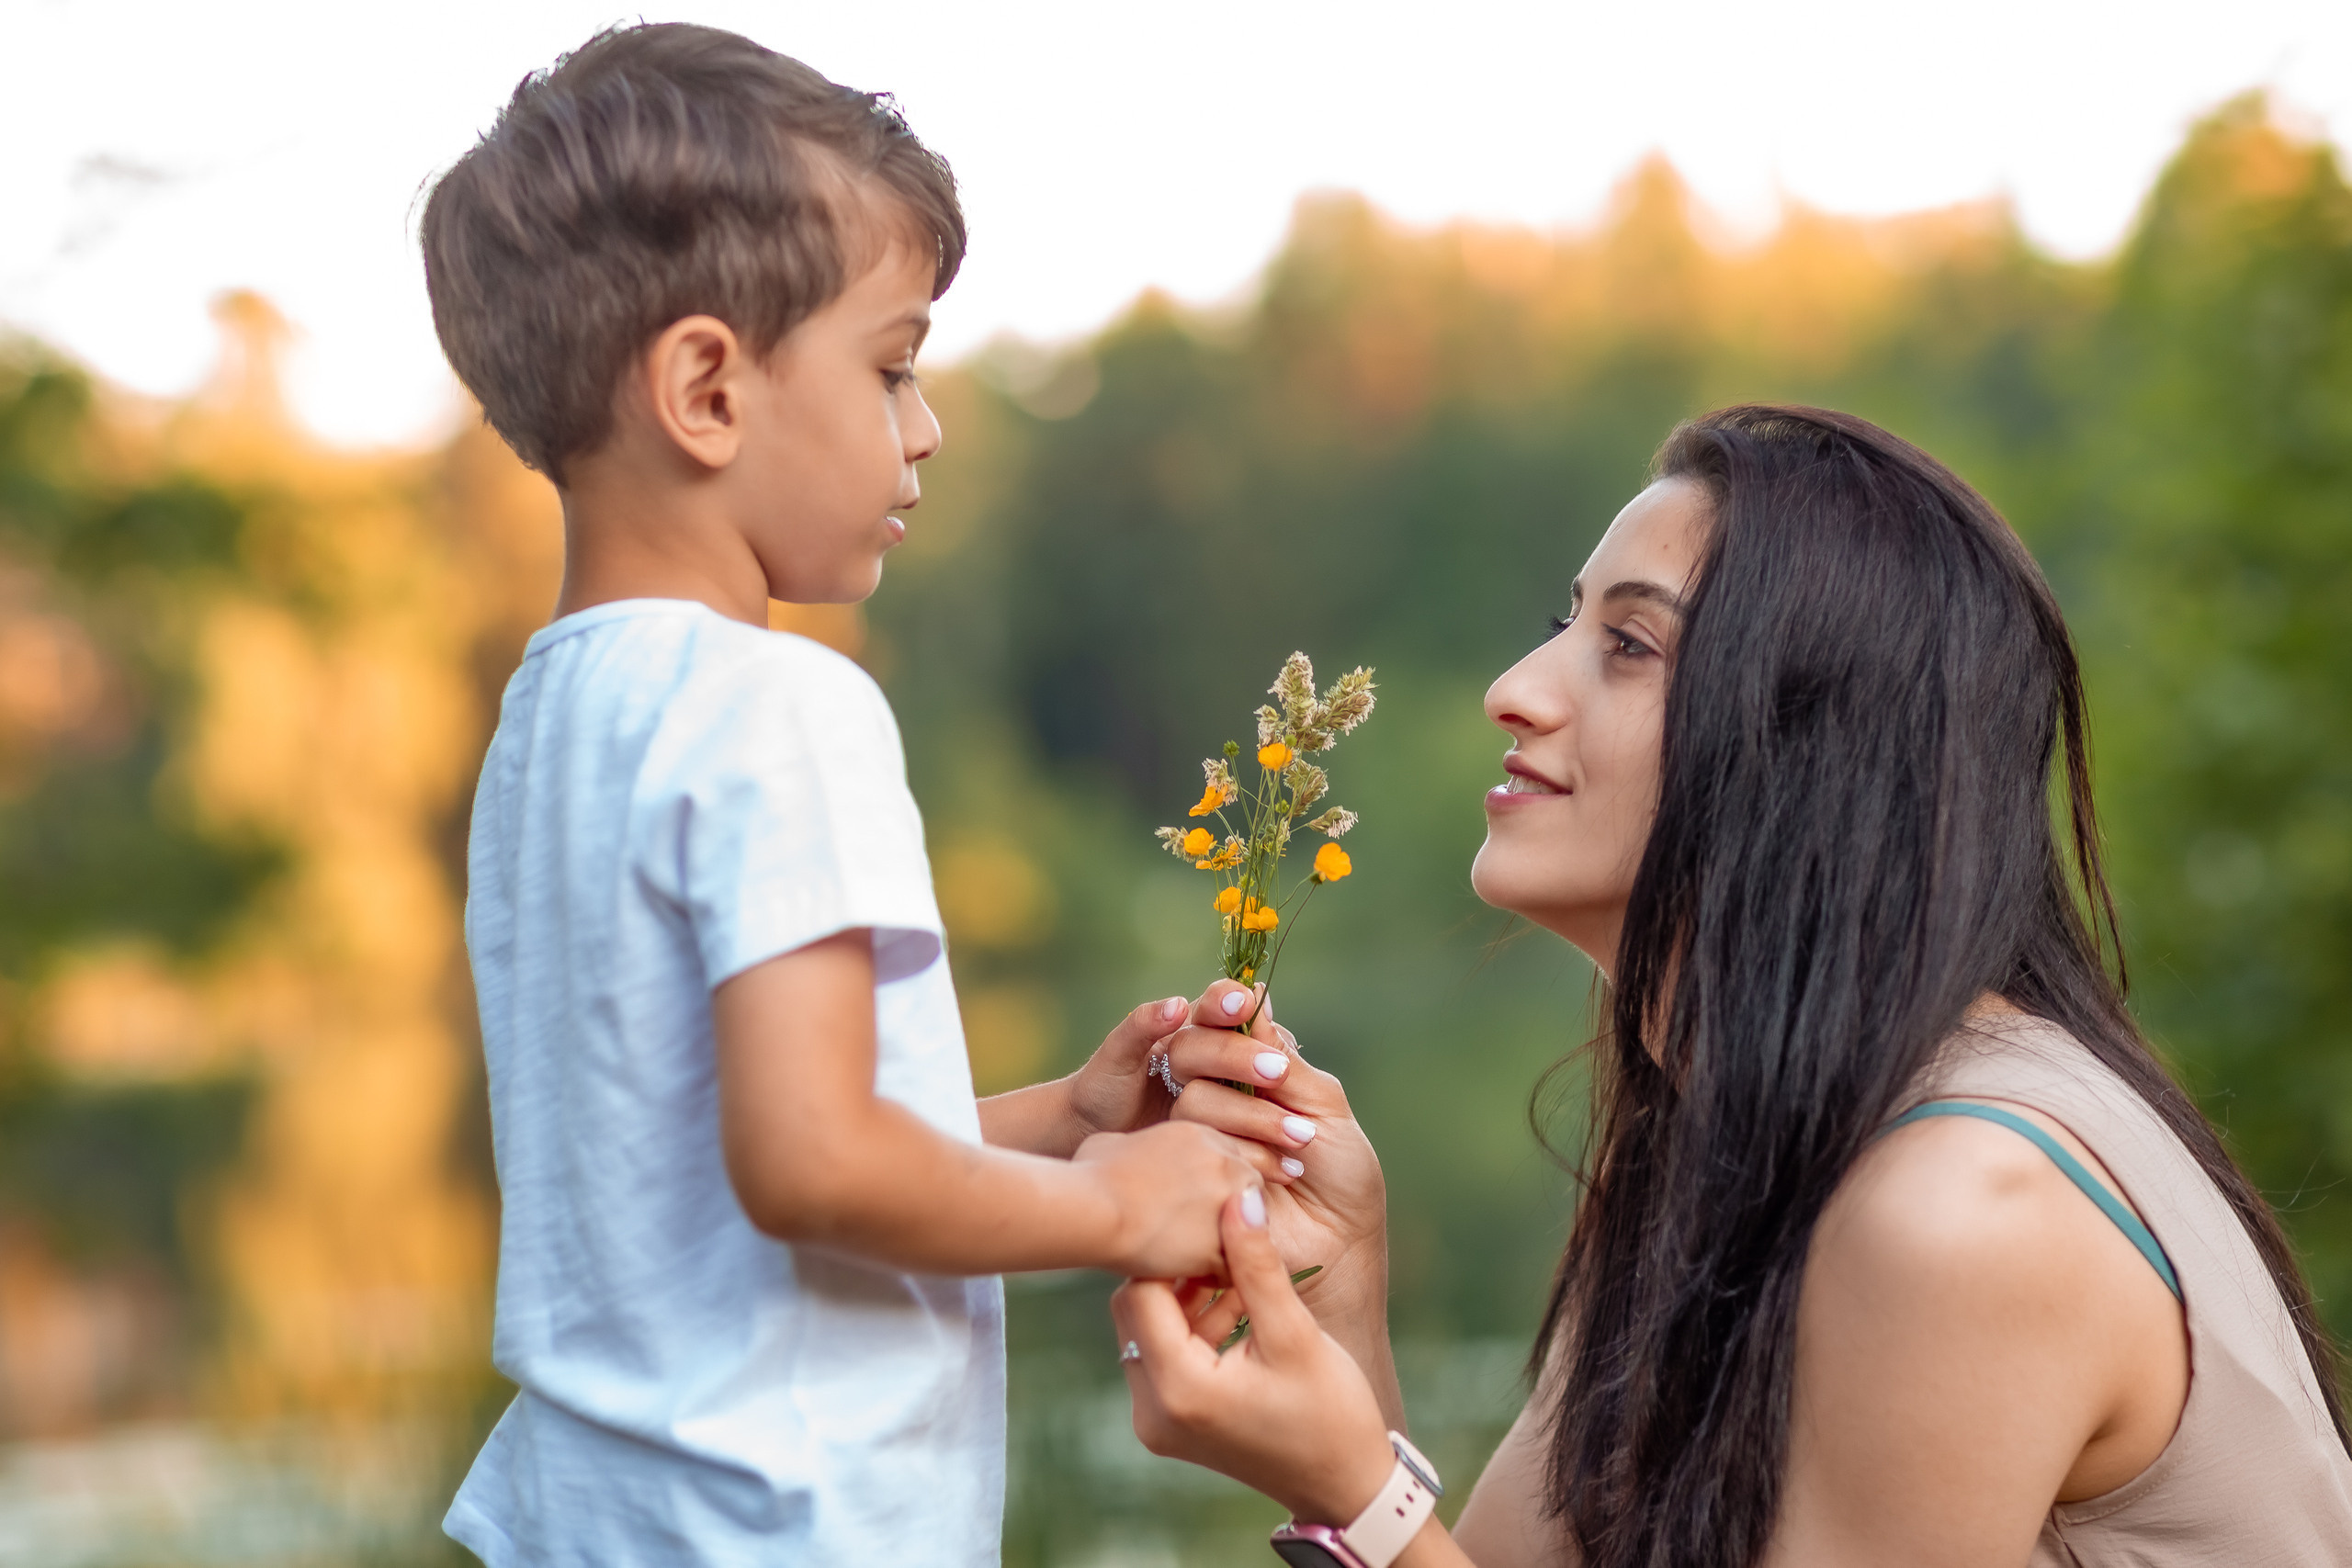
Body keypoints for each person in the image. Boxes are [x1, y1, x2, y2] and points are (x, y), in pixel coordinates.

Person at [1122, 405, 2352, 1567]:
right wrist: (1341, 1328)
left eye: (1629, 646)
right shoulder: (1744, 1125)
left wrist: (1358, 1498)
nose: (1519, 687)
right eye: (1568, 625)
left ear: (1811, 745)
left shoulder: (1963, 1212)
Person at [417, 25, 1300, 1565]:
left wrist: (1059, 1125)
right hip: (781, 1524)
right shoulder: (779, 704)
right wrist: (1123, 1207)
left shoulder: (548, 725)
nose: (928, 421)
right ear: (706, 388)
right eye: (891, 365)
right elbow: (814, 1168)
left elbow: (725, 1159)